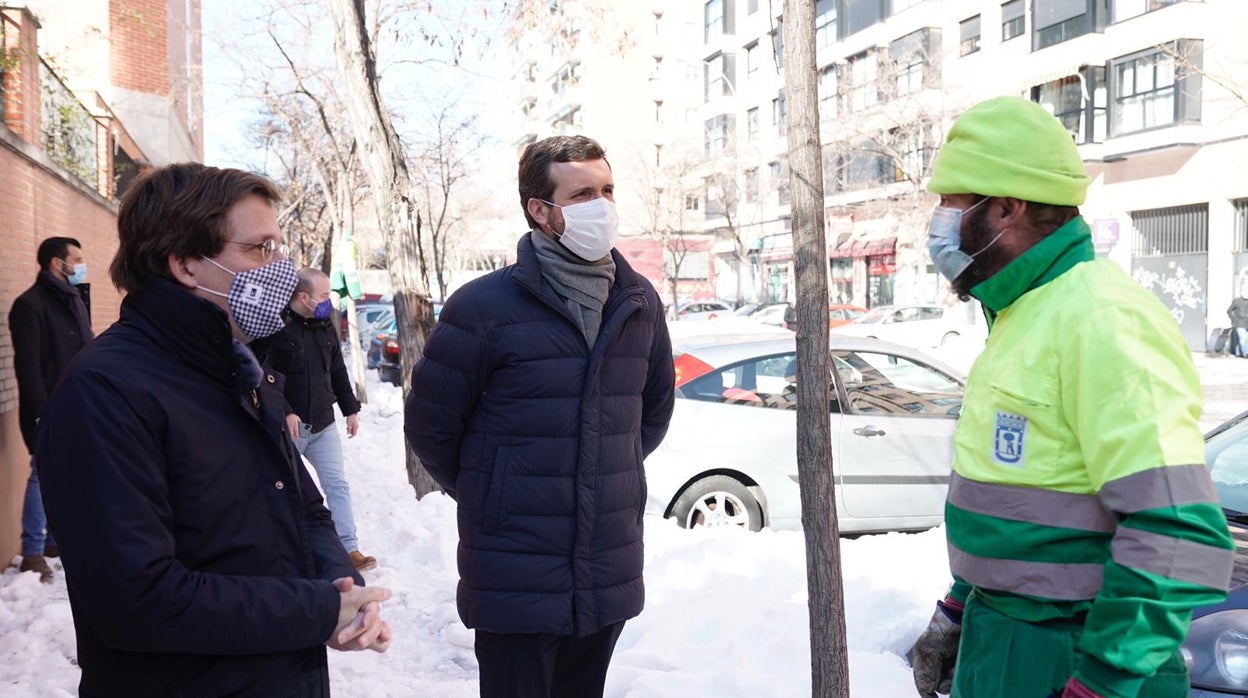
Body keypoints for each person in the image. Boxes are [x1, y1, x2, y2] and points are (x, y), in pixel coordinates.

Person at [908, 97, 1233, 698]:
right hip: (1008, 641)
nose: (939, 224)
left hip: (1074, 658)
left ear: (1006, 209)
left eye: (952, 205)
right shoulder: (1022, 312)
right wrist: (961, 606)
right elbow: (1033, 504)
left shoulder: (1102, 318)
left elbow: (1180, 533)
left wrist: (1101, 682)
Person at [35, 163, 392, 695]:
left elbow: (303, 506)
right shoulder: (105, 393)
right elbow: (137, 600)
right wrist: (317, 610)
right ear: (184, 264)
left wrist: (340, 588)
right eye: (259, 249)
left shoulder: (237, 368)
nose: (281, 269)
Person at [404, 134, 675, 698]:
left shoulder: (639, 301)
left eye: (606, 189)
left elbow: (650, 413)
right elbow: (431, 429)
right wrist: (496, 488)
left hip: (605, 566)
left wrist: (600, 467)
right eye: (581, 195)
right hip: (514, 570)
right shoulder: (482, 308)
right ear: (540, 209)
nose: (601, 205)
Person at [259, 266, 376, 571]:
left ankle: (349, 550)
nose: (328, 301)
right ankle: (291, 552)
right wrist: (284, 410)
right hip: (291, 429)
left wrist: (350, 409)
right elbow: (263, 373)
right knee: (288, 490)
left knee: (337, 485)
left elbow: (337, 370)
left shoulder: (326, 326)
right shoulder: (277, 327)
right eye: (323, 295)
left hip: (323, 424)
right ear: (303, 297)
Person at [8, 236, 94, 583]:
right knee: (41, 473)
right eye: (76, 259)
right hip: (48, 408)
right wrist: (44, 412)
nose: (80, 265)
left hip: (78, 401)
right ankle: (32, 551)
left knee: (66, 473)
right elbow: (27, 367)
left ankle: (55, 542)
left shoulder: (73, 298)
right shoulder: (30, 305)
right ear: (57, 264)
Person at [1226, 279, 1248, 357]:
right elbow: (1229, 311)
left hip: (1246, 323)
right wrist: (1233, 319)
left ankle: (1238, 353)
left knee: (1244, 339)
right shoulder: (1237, 301)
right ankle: (1245, 353)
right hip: (1239, 323)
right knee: (1243, 338)